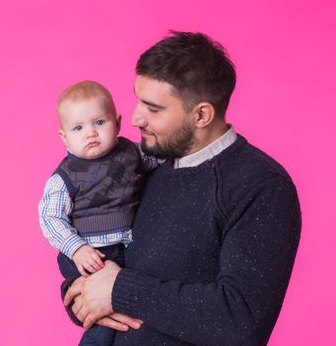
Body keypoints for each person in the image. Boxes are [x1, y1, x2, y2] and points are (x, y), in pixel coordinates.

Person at [64, 31, 302, 345]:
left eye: (154, 108)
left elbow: (240, 320)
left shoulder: (262, 186)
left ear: (201, 114)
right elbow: (95, 240)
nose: (135, 118)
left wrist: (119, 291)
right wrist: (79, 291)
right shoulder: (145, 165)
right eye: (138, 100)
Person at [38, 80, 158, 345]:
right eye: (79, 128)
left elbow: (159, 163)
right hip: (90, 254)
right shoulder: (67, 175)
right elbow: (50, 217)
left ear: (117, 122)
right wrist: (76, 248)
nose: (90, 133)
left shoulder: (130, 153)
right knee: (101, 319)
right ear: (64, 137)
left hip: (127, 247)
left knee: (133, 312)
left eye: (99, 123)